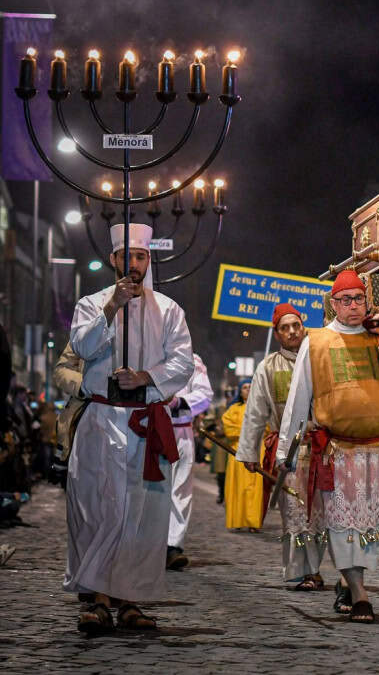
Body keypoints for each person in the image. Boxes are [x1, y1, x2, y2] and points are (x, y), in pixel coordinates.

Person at [66, 223, 195, 634]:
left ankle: (131, 600)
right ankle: (98, 600)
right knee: (99, 509)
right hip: (101, 422)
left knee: (142, 514)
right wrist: (111, 308)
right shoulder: (90, 304)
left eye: (141, 257)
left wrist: (145, 377)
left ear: (148, 261)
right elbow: (84, 348)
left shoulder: (170, 310)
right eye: (127, 256)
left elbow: (182, 362)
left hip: (144, 425)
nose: (134, 264)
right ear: (114, 260)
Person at [277, 269, 379, 624]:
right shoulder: (317, 340)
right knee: (342, 522)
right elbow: (298, 400)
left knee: (369, 524)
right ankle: (359, 593)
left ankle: (351, 580)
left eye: (358, 298)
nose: (353, 306)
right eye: (345, 300)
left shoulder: (378, 339)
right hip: (337, 452)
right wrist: (285, 453)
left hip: (376, 452)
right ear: (333, 304)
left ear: (367, 302)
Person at [236, 303, 322, 588]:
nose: (292, 332)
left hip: (323, 450)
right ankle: (304, 571)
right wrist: (249, 452)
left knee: (320, 513)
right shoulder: (268, 367)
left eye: (295, 325)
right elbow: (255, 411)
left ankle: (320, 568)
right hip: (289, 453)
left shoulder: (320, 358)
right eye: (284, 328)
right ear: (277, 333)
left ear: (303, 326)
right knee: (295, 513)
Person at [166, 353, 212, 570]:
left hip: (180, 431)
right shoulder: (147, 352)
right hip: (147, 429)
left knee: (180, 490)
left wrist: (179, 402)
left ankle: (172, 546)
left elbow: (204, 394)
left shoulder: (192, 360)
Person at [223, 378, 264, 531]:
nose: (247, 390)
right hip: (237, 452)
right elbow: (228, 429)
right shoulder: (233, 409)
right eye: (245, 387)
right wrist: (248, 430)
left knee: (255, 489)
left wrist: (253, 431)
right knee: (237, 487)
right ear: (240, 391)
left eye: (250, 387)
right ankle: (237, 520)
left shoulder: (261, 408)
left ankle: (253, 522)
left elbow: (267, 426)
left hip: (256, 451)